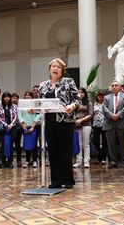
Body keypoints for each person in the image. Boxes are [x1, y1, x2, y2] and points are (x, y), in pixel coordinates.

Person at [39, 58, 80, 189]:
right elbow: (40, 102)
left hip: (65, 120)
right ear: (49, 69)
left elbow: (77, 99)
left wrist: (72, 106)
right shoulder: (43, 85)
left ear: (62, 70)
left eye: (58, 67)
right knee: (53, 151)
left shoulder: (68, 82)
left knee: (65, 150)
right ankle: (56, 181)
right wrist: (34, 109)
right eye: (53, 66)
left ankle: (68, 180)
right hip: (49, 122)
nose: (55, 69)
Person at [103, 80, 124, 168]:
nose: (114, 87)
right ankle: (113, 161)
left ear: (120, 87)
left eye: (116, 85)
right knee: (111, 144)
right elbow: (104, 108)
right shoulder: (106, 97)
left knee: (123, 143)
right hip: (109, 123)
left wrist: (118, 115)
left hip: (122, 123)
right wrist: (111, 115)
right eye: (113, 85)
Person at [18, 91, 40, 168]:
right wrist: (23, 126)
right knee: (27, 144)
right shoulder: (21, 104)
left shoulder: (35, 104)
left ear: (32, 97)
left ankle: (34, 160)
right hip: (25, 127)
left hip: (34, 126)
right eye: (26, 95)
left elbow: (38, 115)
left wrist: (33, 127)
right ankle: (27, 161)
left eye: (29, 95)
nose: (27, 97)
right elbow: (20, 116)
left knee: (34, 144)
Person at [0, 91, 18, 168]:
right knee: (3, 145)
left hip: (12, 128)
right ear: (3, 98)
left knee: (10, 144)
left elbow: (16, 116)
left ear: (10, 98)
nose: (7, 98)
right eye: (5, 97)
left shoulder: (14, 106)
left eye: (8, 97)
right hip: (2, 127)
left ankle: (10, 162)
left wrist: (11, 124)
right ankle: (3, 162)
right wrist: (6, 124)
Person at [73, 87, 93, 168]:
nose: (80, 94)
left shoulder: (88, 102)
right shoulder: (74, 103)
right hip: (76, 125)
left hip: (86, 124)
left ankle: (86, 161)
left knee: (86, 144)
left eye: (82, 92)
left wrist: (81, 120)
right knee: (79, 144)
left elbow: (90, 114)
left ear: (85, 94)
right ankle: (79, 160)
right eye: (78, 92)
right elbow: (71, 113)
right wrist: (75, 120)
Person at [92, 90, 107, 164]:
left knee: (104, 142)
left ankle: (104, 158)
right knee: (96, 141)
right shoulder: (94, 104)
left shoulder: (106, 104)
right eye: (99, 96)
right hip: (96, 125)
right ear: (97, 97)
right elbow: (92, 114)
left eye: (102, 96)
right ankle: (99, 157)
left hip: (105, 125)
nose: (100, 98)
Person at [11, 92, 23, 166]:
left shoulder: (21, 107)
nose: (14, 100)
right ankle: (10, 160)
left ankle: (19, 159)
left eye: (16, 98)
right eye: (13, 98)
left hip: (19, 127)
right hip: (12, 127)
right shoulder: (9, 107)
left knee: (18, 144)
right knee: (11, 144)